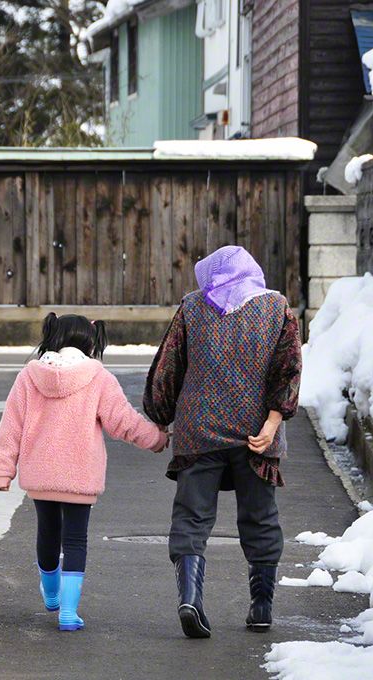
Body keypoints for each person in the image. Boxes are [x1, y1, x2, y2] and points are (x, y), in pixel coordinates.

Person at [144, 245, 302, 637]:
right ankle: (261, 607)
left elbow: (168, 368)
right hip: (256, 435)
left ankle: (190, 598)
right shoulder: (276, 307)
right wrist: (273, 422)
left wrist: (160, 415)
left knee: (191, 517)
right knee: (260, 518)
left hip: (199, 430)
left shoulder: (192, 307)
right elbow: (288, 369)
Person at [0, 312, 169, 631]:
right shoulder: (98, 377)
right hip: (80, 476)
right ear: (90, 341)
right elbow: (123, 422)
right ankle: (69, 612)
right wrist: (155, 439)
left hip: (41, 474)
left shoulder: (29, 376)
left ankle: (51, 593)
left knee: (47, 533)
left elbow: (11, 426)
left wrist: (2, 472)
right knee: (75, 540)